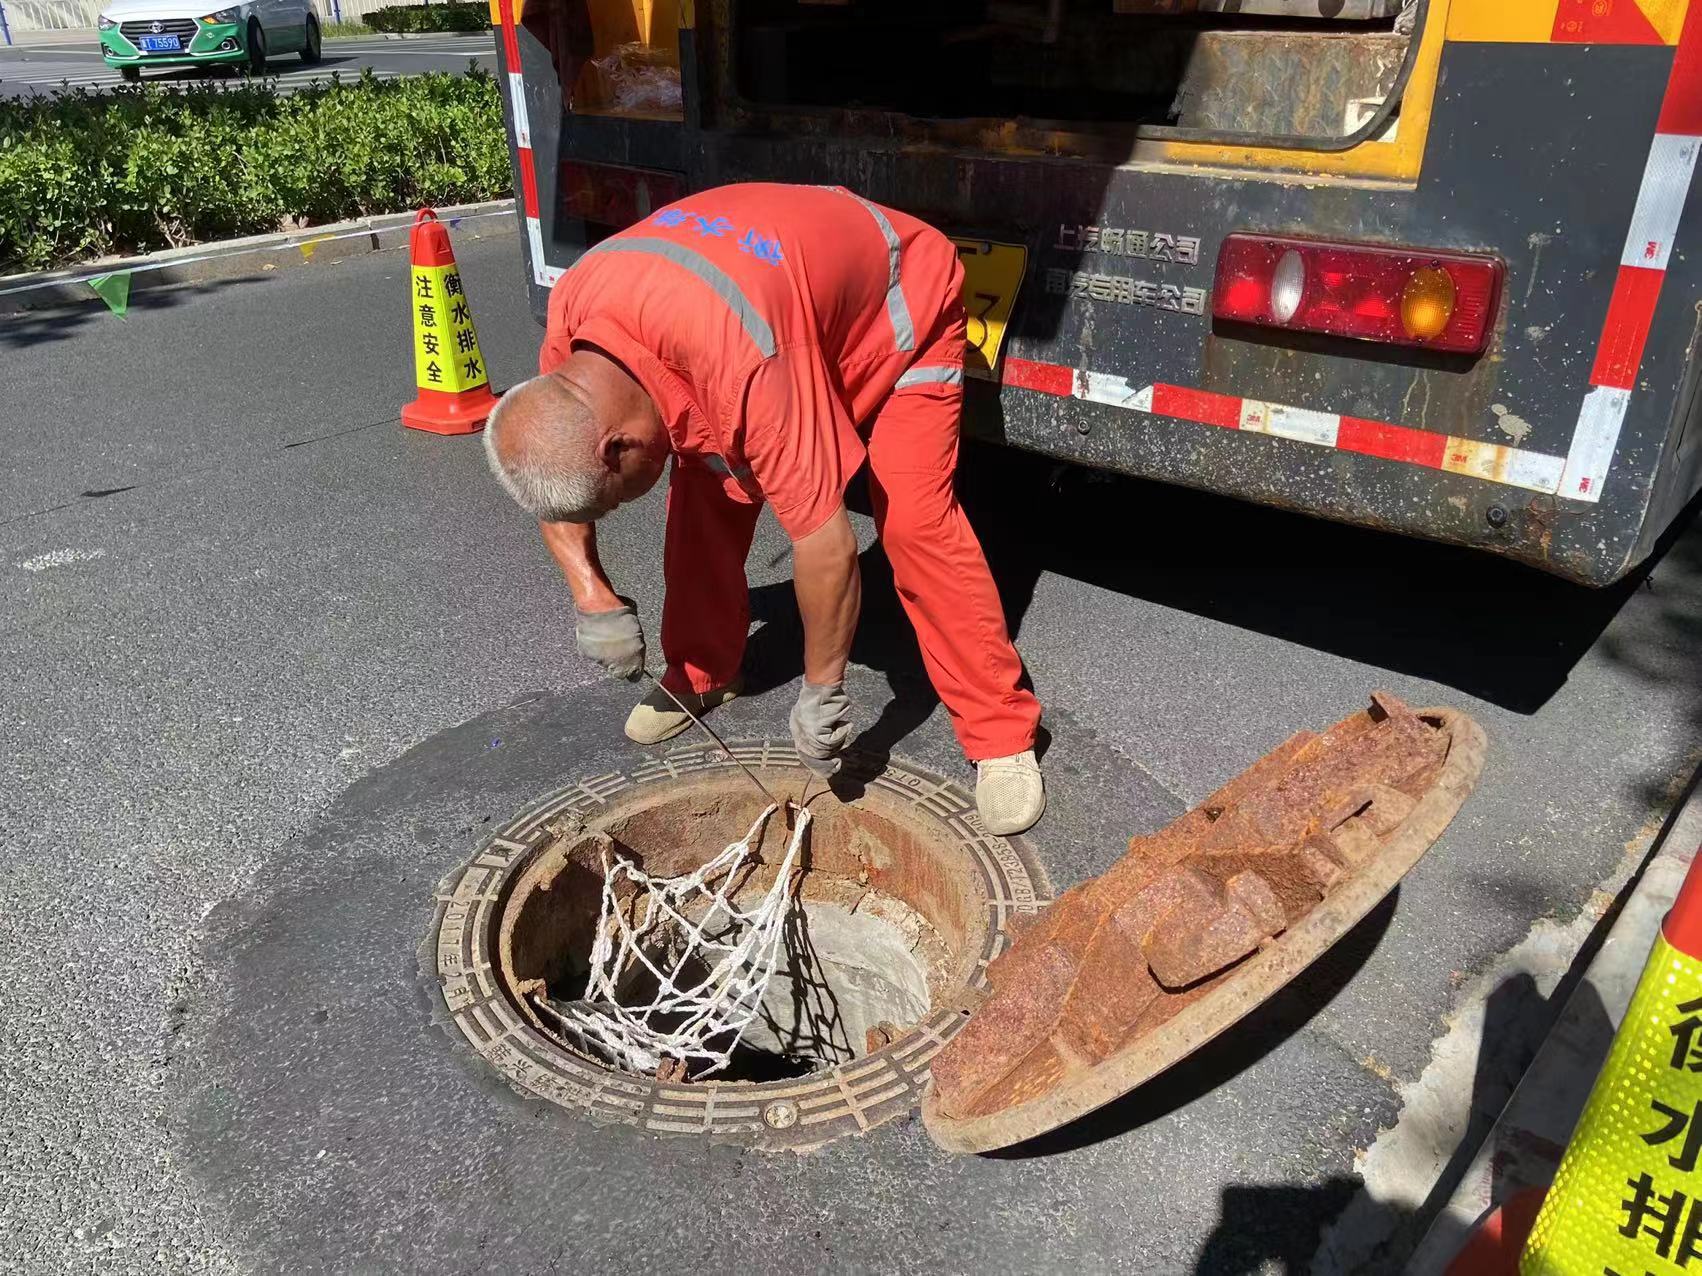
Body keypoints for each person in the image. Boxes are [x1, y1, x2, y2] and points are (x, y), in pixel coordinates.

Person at [482, 182, 1045, 835]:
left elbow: (826, 543)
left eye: (615, 498)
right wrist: (592, 596)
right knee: (707, 487)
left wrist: (822, 691)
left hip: (901, 310)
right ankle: (702, 671)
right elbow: (553, 473)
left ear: (619, 447)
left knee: (915, 520)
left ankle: (1000, 730)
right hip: (778, 308)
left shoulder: (749, 364)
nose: (617, 508)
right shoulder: (572, 332)